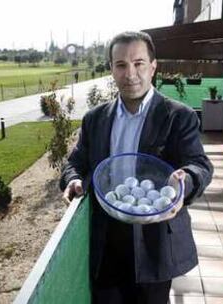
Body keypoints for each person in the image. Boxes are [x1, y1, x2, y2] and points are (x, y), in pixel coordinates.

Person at [60, 31, 213, 304]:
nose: (130, 73)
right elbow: (76, 162)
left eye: (139, 63)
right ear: (111, 69)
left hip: (154, 242)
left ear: (153, 67)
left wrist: (185, 179)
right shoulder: (95, 119)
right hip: (106, 240)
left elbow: (199, 164)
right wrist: (72, 180)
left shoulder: (178, 116)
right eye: (121, 65)